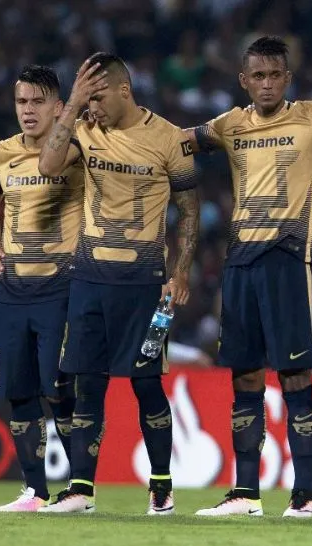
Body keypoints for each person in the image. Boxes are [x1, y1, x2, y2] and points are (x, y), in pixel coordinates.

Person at [37, 52, 201, 516]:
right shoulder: (84, 130)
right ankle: (82, 489)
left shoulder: (169, 138)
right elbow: (49, 166)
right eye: (86, 97)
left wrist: (182, 271)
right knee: (87, 384)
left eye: (97, 95)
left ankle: (162, 487)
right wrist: (70, 108)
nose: (93, 106)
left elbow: (189, 211)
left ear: (124, 90)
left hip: (145, 284)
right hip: (89, 278)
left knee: (146, 385)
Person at [187, 36, 312, 519]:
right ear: (244, 80)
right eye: (259, 76)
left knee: (295, 376)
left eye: (275, 75)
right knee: (245, 375)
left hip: (288, 261)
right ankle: (246, 493)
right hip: (240, 265)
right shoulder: (229, 124)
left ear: (287, 78)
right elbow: (179, 142)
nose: (267, 83)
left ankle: (304, 495)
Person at [0, 65, 83, 512]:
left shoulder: (77, 148)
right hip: (12, 289)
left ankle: (81, 489)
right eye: (22, 102)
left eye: (38, 101)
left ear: (58, 106)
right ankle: (35, 491)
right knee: (19, 390)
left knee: (58, 388)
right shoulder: (2, 153)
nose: (28, 110)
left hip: (60, 286)